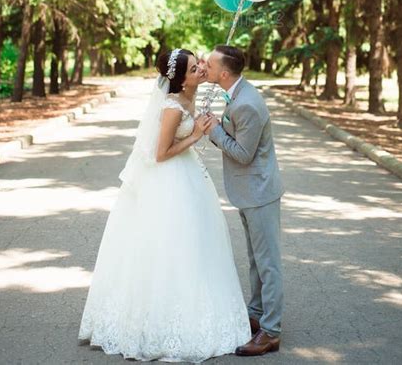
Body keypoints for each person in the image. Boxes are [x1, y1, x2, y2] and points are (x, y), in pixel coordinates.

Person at [78, 48, 251, 362]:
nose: (201, 68)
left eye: (199, 63)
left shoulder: (189, 96)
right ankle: (157, 323)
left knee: (197, 246)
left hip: (189, 178)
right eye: (194, 68)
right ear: (182, 81)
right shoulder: (172, 107)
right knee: (174, 248)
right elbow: (160, 153)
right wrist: (195, 135)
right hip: (170, 181)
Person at [204, 45, 284, 357]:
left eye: (209, 64)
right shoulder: (237, 93)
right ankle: (256, 313)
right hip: (250, 192)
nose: (204, 67)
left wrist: (214, 130)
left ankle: (272, 332)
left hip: (259, 193)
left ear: (223, 73)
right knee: (256, 260)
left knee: (268, 264)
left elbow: (242, 153)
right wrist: (220, 127)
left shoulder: (247, 104)